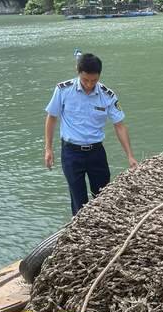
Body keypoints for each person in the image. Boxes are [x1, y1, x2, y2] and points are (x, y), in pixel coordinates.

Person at [44, 53, 138, 215]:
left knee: (104, 198)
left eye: (94, 80)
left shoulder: (108, 95)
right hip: (71, 154)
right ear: (77, 71)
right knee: (78, 202)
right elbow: (52, 117)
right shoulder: (63, 90)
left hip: (96, 153)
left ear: (99, 75)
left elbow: (119, 126)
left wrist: (129, 155)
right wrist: (48, 148)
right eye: (85, 79)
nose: (89, 84)